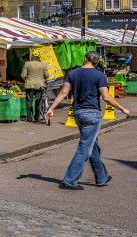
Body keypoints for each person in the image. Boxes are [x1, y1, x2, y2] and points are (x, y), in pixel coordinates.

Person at [45, 51, 129, 190]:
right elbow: (106, 97)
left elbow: (64, 92)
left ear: (85, 59)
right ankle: (70, 180)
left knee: (91, 144)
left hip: (77, 112)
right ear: (97, 62)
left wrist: (52, 108)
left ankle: (101, 177)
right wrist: (123, 109)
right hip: (92, 113)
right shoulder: (100, 75)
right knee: (85, 147)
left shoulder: (73, 74)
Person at [22, 50, 48, 123]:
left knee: (29, 102)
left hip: (29, 85)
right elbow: (47, 75)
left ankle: (29, 118)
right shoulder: (43, 65)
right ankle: (36, 116)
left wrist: (27, 79)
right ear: (39, 58)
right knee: (38, 101)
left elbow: (23, 75)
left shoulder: (27, 64)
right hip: (40, 85)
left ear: (32, 57)